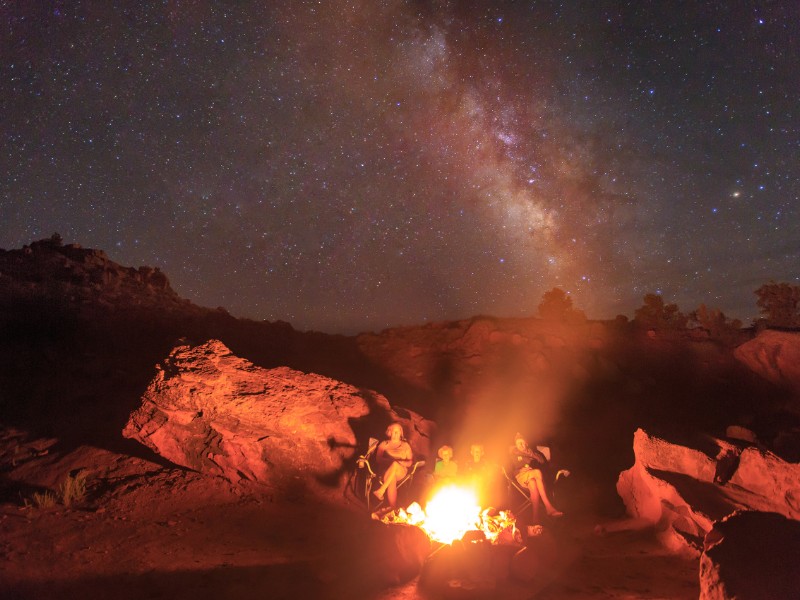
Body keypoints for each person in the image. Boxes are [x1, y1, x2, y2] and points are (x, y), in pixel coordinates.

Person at [509, 432, 563, 523]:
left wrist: (532, 455)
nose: (521, 445)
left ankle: (535, 520)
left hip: (534, 478)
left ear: (526, 443)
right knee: (537, 472)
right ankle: (548, 507)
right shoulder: (514, 453)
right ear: (516, 445)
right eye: (518, 443)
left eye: (522, 442)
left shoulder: (534, 453)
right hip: (521, 476)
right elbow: (511, 468)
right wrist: (522, 469)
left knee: (533, 483)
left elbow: (543, 462)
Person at [373, 423, 413, 508]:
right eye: (393, 432)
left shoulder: (405, 445)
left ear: (400, 433)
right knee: (392, 478)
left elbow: (410, 462)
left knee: (395, 465)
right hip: (386, 472)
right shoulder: (384, 444)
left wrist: (401, 463)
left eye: (397, 432)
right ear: (389, 432)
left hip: (401, 471)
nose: (394, 434)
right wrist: (391, 461)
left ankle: (381, 490)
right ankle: (393, 509)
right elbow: (378, 459)